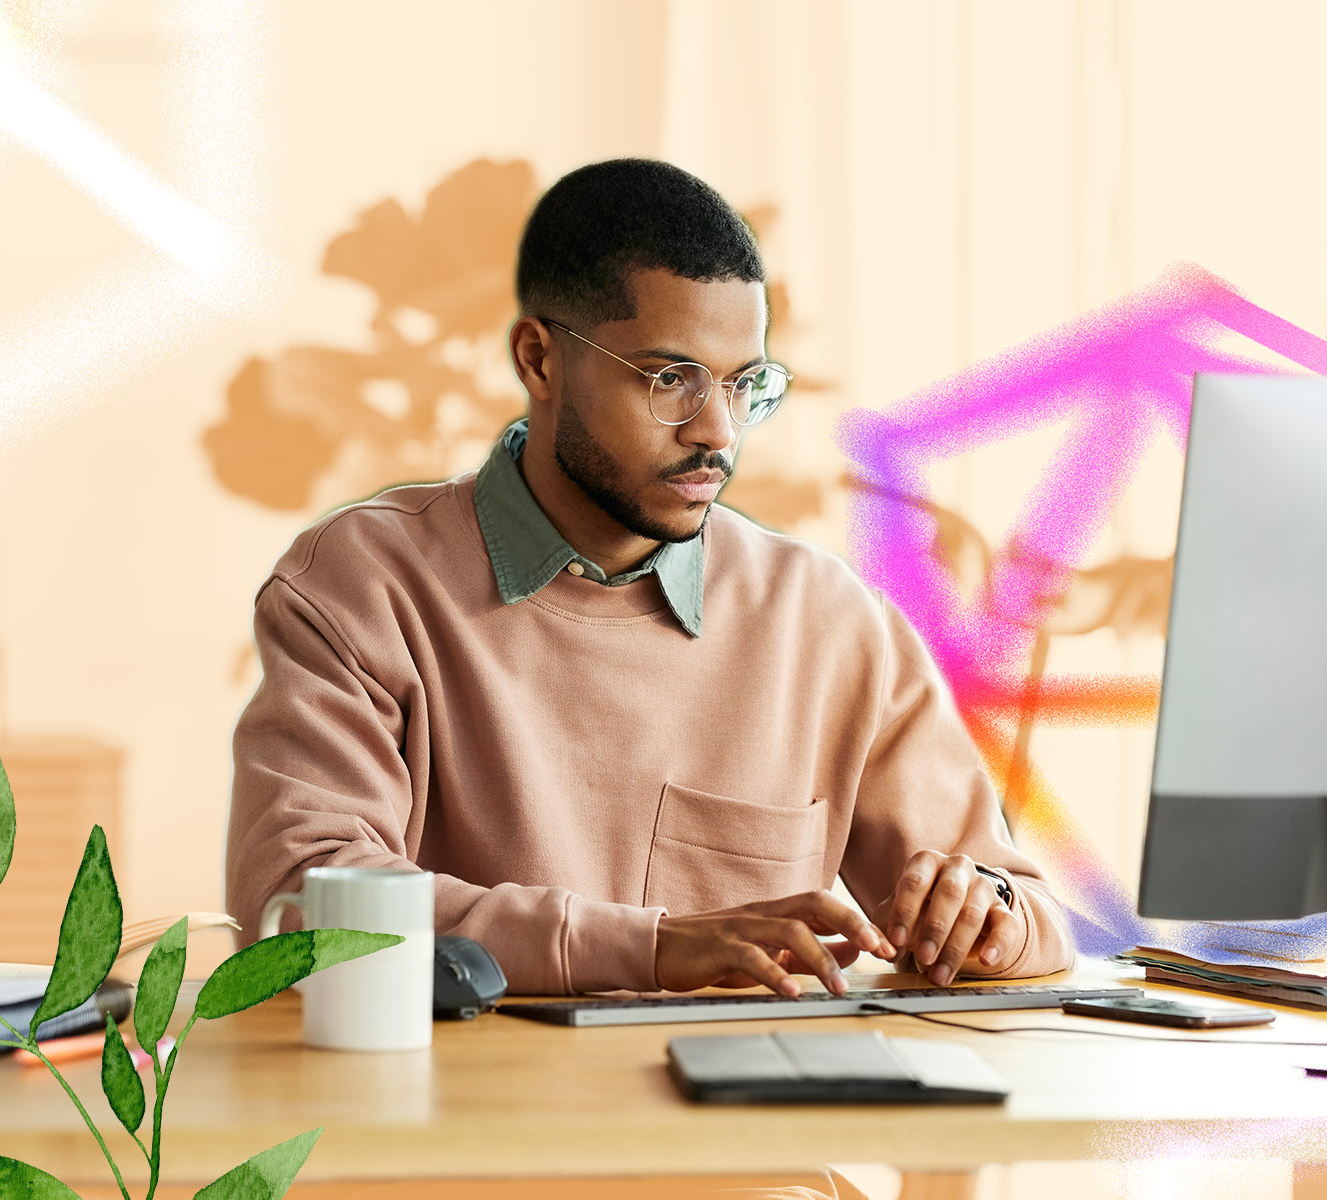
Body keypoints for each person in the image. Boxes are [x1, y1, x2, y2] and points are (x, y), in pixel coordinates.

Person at [224, 158, 1074, 996]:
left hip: (744, 1131)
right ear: (540, 361)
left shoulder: (829, 622)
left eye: (745, 387)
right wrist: (655, 949)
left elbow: (1031, 915)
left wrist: (985, 917)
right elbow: (300, 902)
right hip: (473, 1125)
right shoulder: (362, 588)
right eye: (671, 379)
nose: (718, 433)